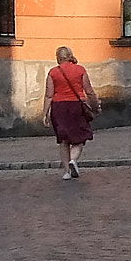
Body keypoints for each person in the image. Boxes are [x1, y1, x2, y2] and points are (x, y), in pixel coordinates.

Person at [43, 45, 102, 180]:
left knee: (63, 140)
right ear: (70, 55)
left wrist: (45, 113)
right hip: (76, 107)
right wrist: (96, 106)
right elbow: (89, 91)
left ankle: (66, 172)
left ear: (58, 57)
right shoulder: (80, 70)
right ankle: (73, 160)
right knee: (80, 137)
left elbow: (49, 95)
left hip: (59, 108)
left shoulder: (53, 72)